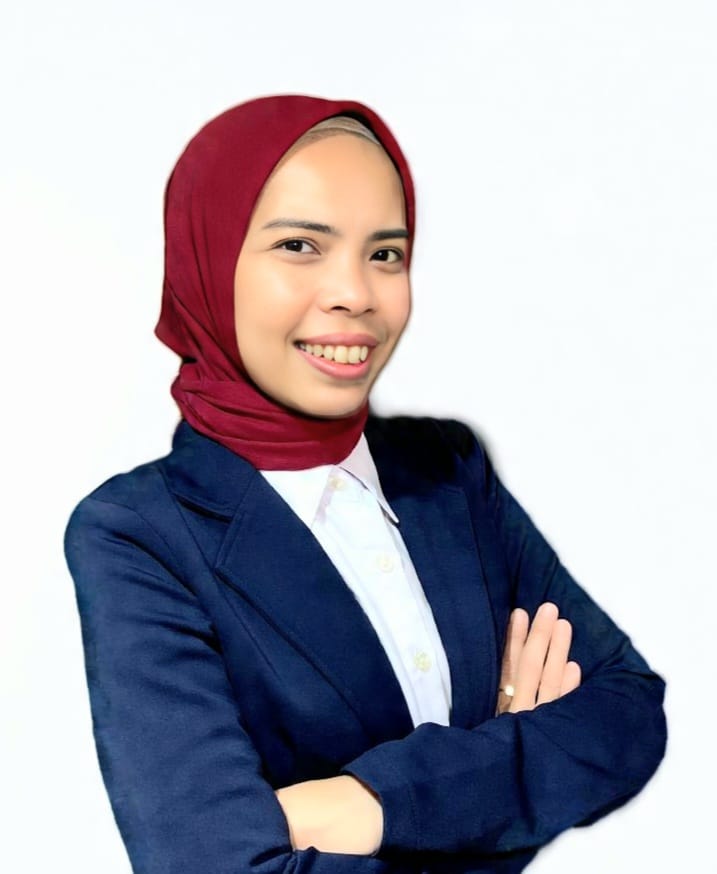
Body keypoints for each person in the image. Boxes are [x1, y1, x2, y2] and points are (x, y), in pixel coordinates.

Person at [64, 95, 666, 874]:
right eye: (300, 246)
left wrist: (368, 804)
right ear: (207, 263)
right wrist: (512, 771)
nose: (355, 293)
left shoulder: (445, 470)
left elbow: (626, 714)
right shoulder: (139, 535)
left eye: (385, 253)